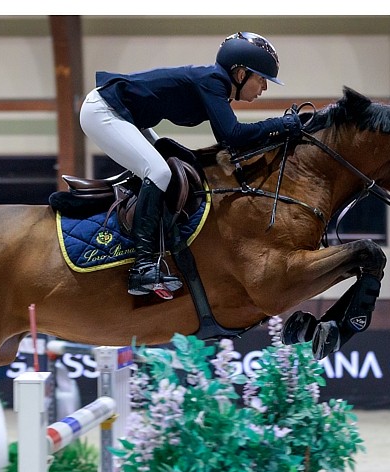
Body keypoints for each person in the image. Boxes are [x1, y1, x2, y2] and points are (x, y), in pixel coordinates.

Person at [79, 32, 303, 298]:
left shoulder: (217, 85)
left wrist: (279, 130)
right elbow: (232, 135)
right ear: (241, 74)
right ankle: (142, 267)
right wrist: (280, 125)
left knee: (171, 171)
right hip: (104, 110)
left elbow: (230, 142)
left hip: (128, 116)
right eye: (262, 79)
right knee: (159, 172)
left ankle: (158, 256)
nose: (264, 88)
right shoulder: (213, 82)